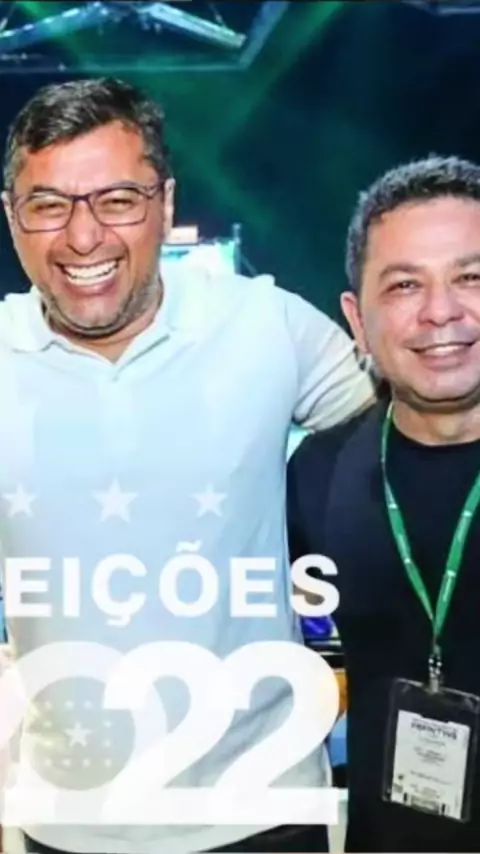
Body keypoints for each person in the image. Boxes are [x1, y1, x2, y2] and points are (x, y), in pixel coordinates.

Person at [0, 77, 373, 854]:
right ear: (12, 216)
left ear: (165, 205)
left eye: (118, 199)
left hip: (263, 810)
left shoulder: (264, 324)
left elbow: (420, 426)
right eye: (49, 204)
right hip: (69, 823)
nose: (83, 236)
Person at [287, 155, 480, 853]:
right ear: (357, 322)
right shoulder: (317, 476)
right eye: (404, 285)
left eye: (471, 277)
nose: (441, 311)